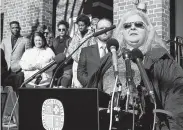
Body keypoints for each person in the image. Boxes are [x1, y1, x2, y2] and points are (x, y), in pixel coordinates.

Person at [87, 9, 183, 130]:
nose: (132, 28)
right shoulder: (109, 59)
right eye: (127, 25)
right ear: (122, 32)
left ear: (148, 30)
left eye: (138, 24)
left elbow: (177, 105)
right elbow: (90, 95)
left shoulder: (162, 60)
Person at [77, 18, 113, 88]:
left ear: (112, 31)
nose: (104, 31)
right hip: (91, 93)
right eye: (101, 28)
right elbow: (80, 73)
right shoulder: (86, 51)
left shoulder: (117, 52)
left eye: (107, 28)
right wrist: (92, 85)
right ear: (96, 30)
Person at [0, 21, 31, 93]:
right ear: (10, 29)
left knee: (18, 92)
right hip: (6, 71)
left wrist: (23, 70)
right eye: (13, 28)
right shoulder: (4, 41)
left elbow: (28, 57)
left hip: (18, 71)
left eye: (17, 27)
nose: (15, 29)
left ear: (19, 28)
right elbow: (1, 55)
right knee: (5, 92)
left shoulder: (25, 40)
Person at [67, 14, 94, 88]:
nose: (80, 27)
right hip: (76, 62)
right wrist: (75, 57)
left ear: (87, 25)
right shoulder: (76, 35)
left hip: (86, 64)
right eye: (79, 25)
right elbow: (71, 48)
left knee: (84, 82)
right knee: (76, 83)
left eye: (82, 25)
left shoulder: (91, 35)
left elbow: (92, 49)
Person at [52, 20, 73, 88]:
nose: (61, 31)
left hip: (66, 67)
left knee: (64, 84)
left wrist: (65, 59)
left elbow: (71, 54)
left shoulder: (70, 40)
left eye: (63, 29)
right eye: (59, 29)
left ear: (67, 30)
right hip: (56, 67)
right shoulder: (55, 41)